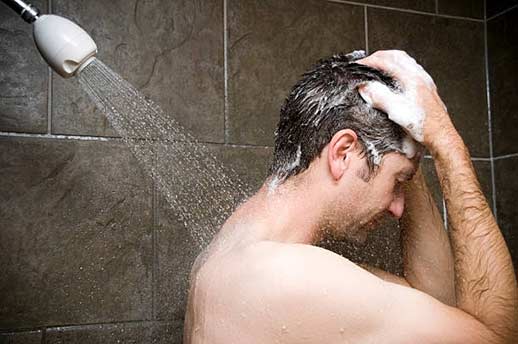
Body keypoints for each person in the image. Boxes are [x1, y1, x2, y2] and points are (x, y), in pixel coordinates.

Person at [183, 50, 518, 343]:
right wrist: (446, 143)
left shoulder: (237, 247)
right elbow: (496, 339)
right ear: (343, 153)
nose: (398, 208)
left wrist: (407, 142)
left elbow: (436, 304)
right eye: (398, 183)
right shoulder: (289, 278)